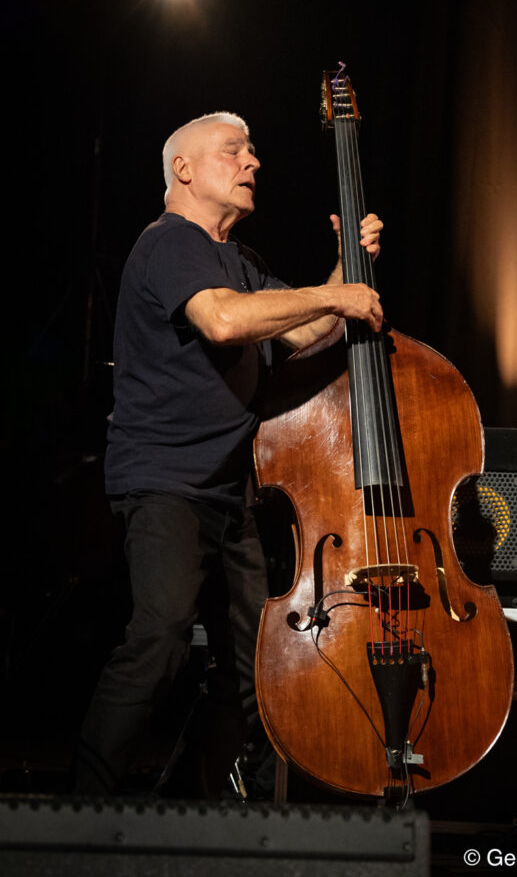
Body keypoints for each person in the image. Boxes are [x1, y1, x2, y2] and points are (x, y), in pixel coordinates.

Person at [74, 111, 383, 798]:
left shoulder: (238, 261)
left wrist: (347, 267)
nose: (253, 163)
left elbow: (307, 330)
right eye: (233, 151)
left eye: (252, 150)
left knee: (249, 671)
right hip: (165, 481)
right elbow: (220, 319)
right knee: (159, 641)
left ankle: (188, 809)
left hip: (226, 492)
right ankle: (79, 814)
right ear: (183, 170)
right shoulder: (171, 244)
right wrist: (335, 290)